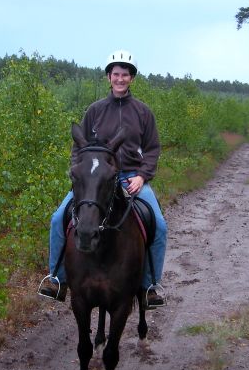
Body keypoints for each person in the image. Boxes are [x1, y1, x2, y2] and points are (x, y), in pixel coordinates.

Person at [39, 49, 167, 308]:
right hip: (94, 181)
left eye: (125, 74)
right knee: (57, 219)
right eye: (116, 74)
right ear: (109, 77)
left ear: (132, 78)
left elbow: (152, 149)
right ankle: (58, 279)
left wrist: (142, 177)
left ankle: (149, 286)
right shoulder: (94, 110)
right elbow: (79, 147)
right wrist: (80, 174)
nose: (120, 79)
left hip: (131, 177)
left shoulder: (143, 113)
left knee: (160, 226)